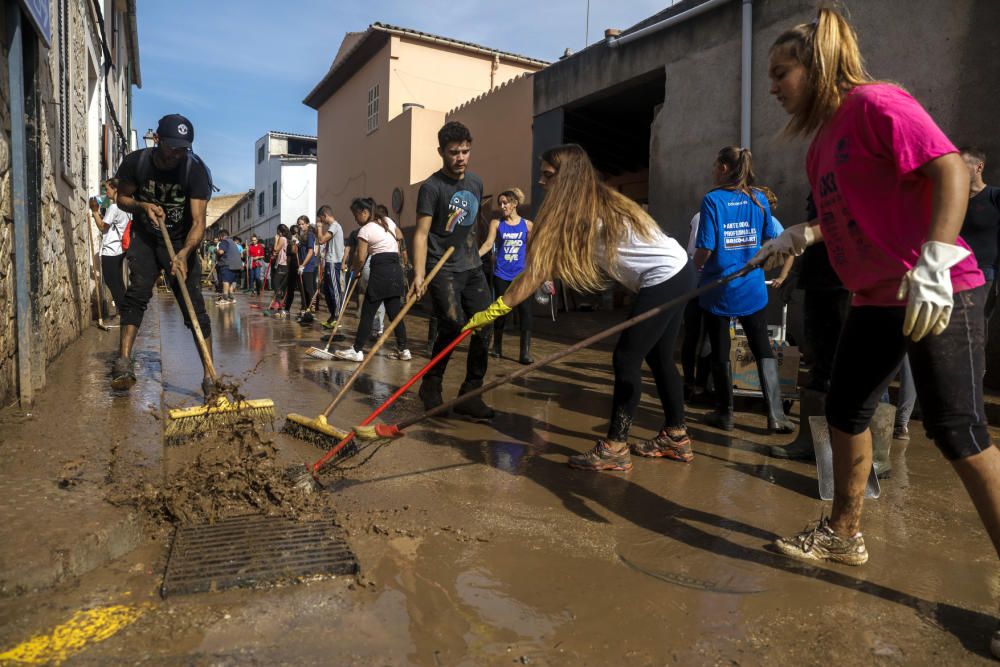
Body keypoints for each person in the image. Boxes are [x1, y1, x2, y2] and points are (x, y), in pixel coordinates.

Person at [759, 14, 1000, 648]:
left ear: (816, 66)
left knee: (959, 431)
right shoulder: (819, 146)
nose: (775, 88)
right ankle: (844, 533)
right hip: (875, 297)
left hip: (936, 288)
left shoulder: (876, 103)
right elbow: (848, 215)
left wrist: (937, 258)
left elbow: (947, 167)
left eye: (781, 74)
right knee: (844, 407)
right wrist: (797, 236)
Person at [464, 144, 695, 470]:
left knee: (627, 358)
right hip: (679, 270)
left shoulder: (577, 212)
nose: (541, 181)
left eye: (548, 175)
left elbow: (534, 274)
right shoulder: (591, 201)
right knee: (657, 358)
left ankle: (616, 446)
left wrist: (494, 309)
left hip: (664, 277)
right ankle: (676, 436)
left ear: (567, 177)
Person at [110, 113, 215, 394]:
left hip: (182, 241)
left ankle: (210, 378)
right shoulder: (137, 162)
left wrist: (183, 254)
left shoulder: (195, 171)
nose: (176, 155)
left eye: (182, 149)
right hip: (146, 236)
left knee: (193, 304)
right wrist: (143, 207)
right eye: (171, 147)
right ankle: (123, 362)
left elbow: (198, 223)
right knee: (137, 293)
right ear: (157, 140)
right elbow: (121, 199)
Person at [694, 146, 793, 434]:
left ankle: (725, 414)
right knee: (762, 347)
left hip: (718, 288)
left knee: (720, 350)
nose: (713, 170)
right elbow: (772, 241)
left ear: (724, 168)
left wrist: (694, 268)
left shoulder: (712, 200)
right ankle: (775, 416)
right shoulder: (759, 199)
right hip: (751, 287)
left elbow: (705, 248)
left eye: (716, 165)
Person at [411, 121, 494, 420]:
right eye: (454, 152)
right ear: (441, 152)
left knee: (485, 325)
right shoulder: (431, 188)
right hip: (442, 268)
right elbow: (420, 234)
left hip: (472, 267)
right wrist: (419, 274)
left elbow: (472, 224)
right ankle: (431, 387)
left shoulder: (476, 182)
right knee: (453, 324)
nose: (461, 157)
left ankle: (471, 394)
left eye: (465, 151)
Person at [334, 198, 410, 361]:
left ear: (365, 212)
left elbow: (360, 258)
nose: (355, 219)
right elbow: (400, 235)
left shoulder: (365, 230)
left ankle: (357, 350)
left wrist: (356, 271)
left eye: (356, 215)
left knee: (368, 312)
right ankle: (403, 350)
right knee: (395, 313)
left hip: (381, 269)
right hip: (395, 268)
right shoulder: (387, 221)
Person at [478, 187, 534, 364]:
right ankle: (497, 347)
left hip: (522, 276)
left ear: (514, 203)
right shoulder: (496, 223)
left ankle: (525, 352)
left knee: (526, 312)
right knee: (501, 311)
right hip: (501, 274)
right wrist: (472, 258)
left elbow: (533, 250)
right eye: (500, 203)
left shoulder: (527, 225)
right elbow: (488, 244)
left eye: (505, 203)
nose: (502, 206)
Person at [960, 147, 1000, 321]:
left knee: (977, 329)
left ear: (979, 167)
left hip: (984, 275)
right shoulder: (951, 200)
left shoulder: (994, 196)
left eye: (962, 165)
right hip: (952, 275)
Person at [89, 178, 130, 315]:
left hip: (111, 250)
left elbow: (102, 226)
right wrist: (100, 215)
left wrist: (94, 211)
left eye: (107, 189)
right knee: (118, 282)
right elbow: (111, 224)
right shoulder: (125, 207)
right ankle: (126, 311)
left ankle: (125, 313)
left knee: (113, 283)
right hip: (120, 249)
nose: (106, 193)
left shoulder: (114, 207)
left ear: (115, 189)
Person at [316, 205, 345, 327]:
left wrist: (319, 228)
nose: (321, 221)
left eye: (321, 219)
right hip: (329, 262)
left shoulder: (335, 226)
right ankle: (333, 316)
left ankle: (337, 318)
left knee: (334, 291)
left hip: (334, 262)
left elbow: (321, 240)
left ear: (325, 215)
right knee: (327, 292)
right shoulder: (333, 227)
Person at [294, 216, 318, 318]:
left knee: (308, 288)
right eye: (299, 224)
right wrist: (296, 242)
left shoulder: (310, 235)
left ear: (307, 224)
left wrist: (303, 265)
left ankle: (311, 309)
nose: (300, 226)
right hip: (301, 265)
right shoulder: (301, 235)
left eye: (303, 224)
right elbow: (298, 250)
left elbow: (310, 252)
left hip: (307, 265)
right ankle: (304, 307)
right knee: (302, 288)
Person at [215, 230, 241, 304]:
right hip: (237, 265)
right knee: (231, 281)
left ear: (221, 236)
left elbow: (221, 252)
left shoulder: (224, 242)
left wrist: (216, 251)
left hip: (228, 264)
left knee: (225, 281)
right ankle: (231, 298)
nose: (218, 239)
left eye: (218, 237)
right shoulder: (232, 242)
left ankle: (225, 298)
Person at [271, 224, 290, 311]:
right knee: (280, 284)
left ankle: (278, 301)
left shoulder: (282, 238)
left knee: (275, 283)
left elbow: (276, 249)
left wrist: (276, 240)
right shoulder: (286, 239)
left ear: (279, 231)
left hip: (282, 264)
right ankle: (279, 301)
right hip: (284, 264)